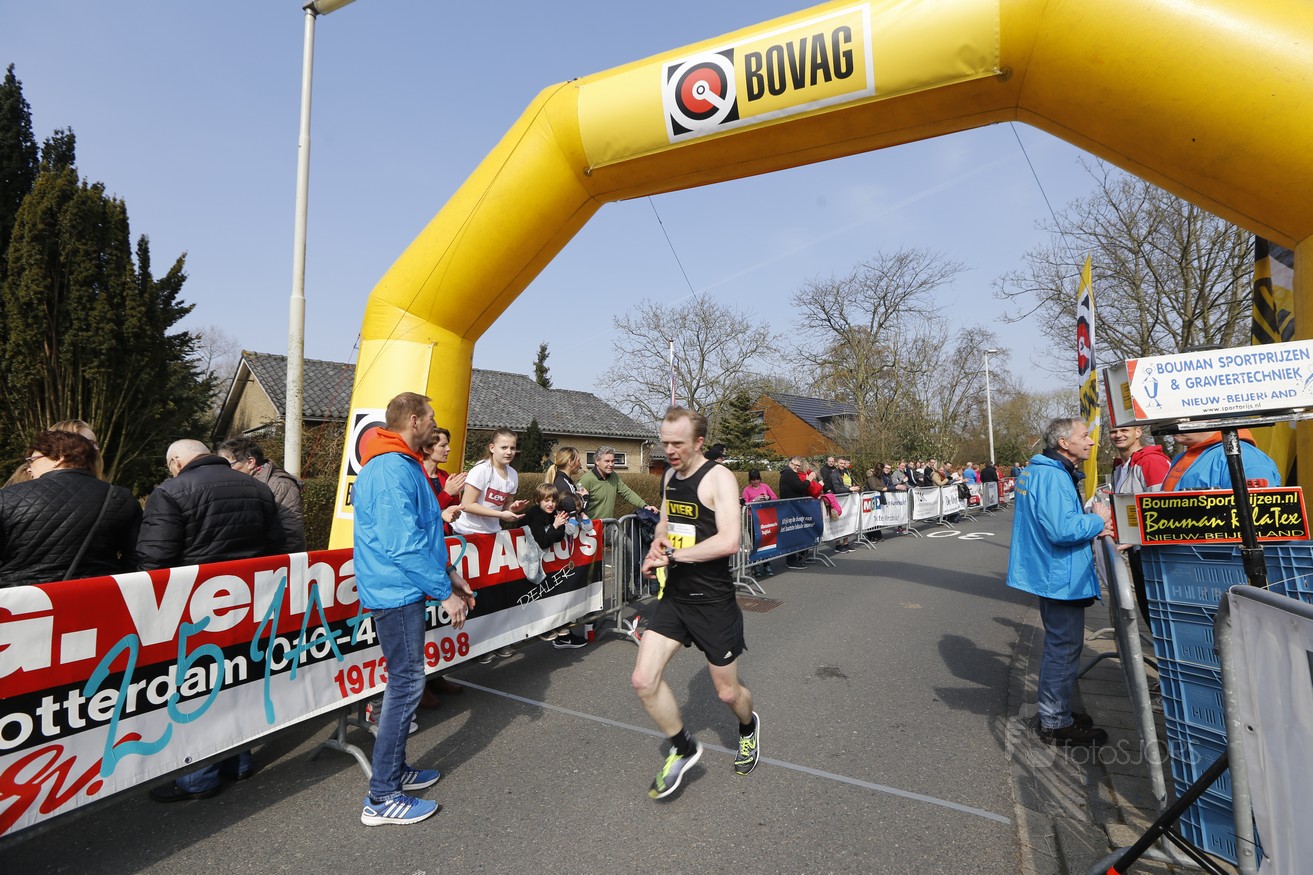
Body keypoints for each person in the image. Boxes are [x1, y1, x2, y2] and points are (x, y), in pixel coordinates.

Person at [353, 392, 475, 827]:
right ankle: (382, 796)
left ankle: (395, 771)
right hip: (396, 592)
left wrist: (449, 574)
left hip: (403, 588)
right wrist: (444, 591)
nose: (436, 425)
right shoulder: (390, 467)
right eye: (432, 417)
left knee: (406, 682)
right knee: (405, 685)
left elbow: (422, 533)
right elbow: (402, 544)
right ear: (414, 420)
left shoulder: (401, 462)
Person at [141, 439, 285, 802]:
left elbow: (154, 562)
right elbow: (277, 547)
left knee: (197, 690)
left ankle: (198, 779)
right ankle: (239, 762)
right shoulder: (258, 488)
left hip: (193, 608)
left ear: (177, 462)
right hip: (249, 602)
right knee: (239, 681)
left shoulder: (169, 492)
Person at [634, 407, 760, 799]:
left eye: (678, 443)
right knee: (643, 680)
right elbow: (666, 519)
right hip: (675, 598)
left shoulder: (719, 477)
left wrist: (674, 556)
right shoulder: (670, 476)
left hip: (713, 602)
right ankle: (684, 747)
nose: (669, 451)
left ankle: (748, 727)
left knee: (728, 694)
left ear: (699, 442)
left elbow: (729, 541)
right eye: (664, 443)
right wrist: (659, 541)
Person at [1006, 417, 1114, 747]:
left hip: (1052, 572)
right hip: (1059, 575)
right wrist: (1097, 519)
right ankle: (1055, 722)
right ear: (1064, 443)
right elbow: (1062, 530)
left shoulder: (1042, 471)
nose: (1092, 441)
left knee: (1061, 646)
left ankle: (1058, 711)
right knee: (1064, 648)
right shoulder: (1052, 476)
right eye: (1085, 436)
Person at [0, 430, 140, 586]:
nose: (29, 468)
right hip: (99, 594)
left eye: (32, 460)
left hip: (26, 596)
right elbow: (136, 557)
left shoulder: (6, 497)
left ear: (59, 458)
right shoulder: (120, 497)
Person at [453, 428, 528, 659]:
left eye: (513, 447)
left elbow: (505, 507)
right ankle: (475, 647)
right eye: (504, 447)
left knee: (495, 591)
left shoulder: (512, 474)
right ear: (492, 448)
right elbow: (467, 504)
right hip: (468, 535)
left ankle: (495, 641)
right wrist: (501, 515)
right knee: (473, 592)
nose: (509, 452)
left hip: (492, 536)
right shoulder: (481, 471)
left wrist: (512, 509)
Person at [1108, 425, 1171, 621]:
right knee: (1148, 609)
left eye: (1124, 430)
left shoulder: (1151, 462)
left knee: (1160, 612)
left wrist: (1142, 535)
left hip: (1155, 552)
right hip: (1135, 548)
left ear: (1138, 432)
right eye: (1113, 431)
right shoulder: (1120, 467)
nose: (1118, 435)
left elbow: (1164, 507)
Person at [217, 436, 306, 552]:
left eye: (228, 465)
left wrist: (280, 562)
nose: (224, 471)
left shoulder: (280, 485)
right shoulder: (241, 484)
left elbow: (291, 532)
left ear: (250, 462)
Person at [543, 446, 591, 650]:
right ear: (571, 462)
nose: (580, 463)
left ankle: (564, 631)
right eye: (578, 459)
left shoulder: (565, 480)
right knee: (560, 584)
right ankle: (561, 633)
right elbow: (573, 510)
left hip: (564, 539)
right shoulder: (561, 482)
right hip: (561, 539)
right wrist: (585, 499)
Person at [1161, 428, 1280, 492]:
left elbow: (1257, 516)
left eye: (1186, 415)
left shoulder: (1245, 456)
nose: (1175, 422)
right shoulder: (1181, 458)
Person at [524, 482, 571, 641]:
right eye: (546, 500)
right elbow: (542, 542)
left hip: (547, 561)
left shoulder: (555, 513)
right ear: (538, 500)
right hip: (529, 559)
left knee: (551, 592)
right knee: (535, 595)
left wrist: (555, 528)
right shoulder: (534, 514)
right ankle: (540, 628)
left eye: (553, 500)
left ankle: (554, 623)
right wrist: (555, 526)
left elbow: (560, 536)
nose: (550, 504)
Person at [3, 419, 103, 488]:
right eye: (88, 444)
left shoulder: (101, 486)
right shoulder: (25, 481)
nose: (96, 449)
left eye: (95, 443)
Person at [577, 445, 656, 520]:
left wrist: (644, 506)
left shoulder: (614, 476)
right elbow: (576, 505)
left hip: (608, 525)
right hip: (590, 526)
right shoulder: (586, 480)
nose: (611, 464)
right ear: (597, 461)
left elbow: (627, 493)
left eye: (613, 461)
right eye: (607, 461)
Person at [421, 426, 466, 534]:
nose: (448, 449)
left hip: (442, 534)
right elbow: (423, 512)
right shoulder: (416, 475)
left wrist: (456, 492)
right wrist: (447, 493)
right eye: (443, 445)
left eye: (447, 444)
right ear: (426, 449)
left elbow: (453, 508)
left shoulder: (444, 475)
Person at [741, 469, 778, 578]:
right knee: (755, 541)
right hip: (752, 517)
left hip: (764, 518)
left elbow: (775, 497)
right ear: (750, 480)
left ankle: (767, 564)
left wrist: (768, 498)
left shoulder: (765, 486)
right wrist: (754, 500)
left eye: (757, 479)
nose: (755, 482)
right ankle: (755, 565)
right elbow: (744, 503)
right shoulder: (747, 489)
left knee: (765, 541)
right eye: (753, 480)